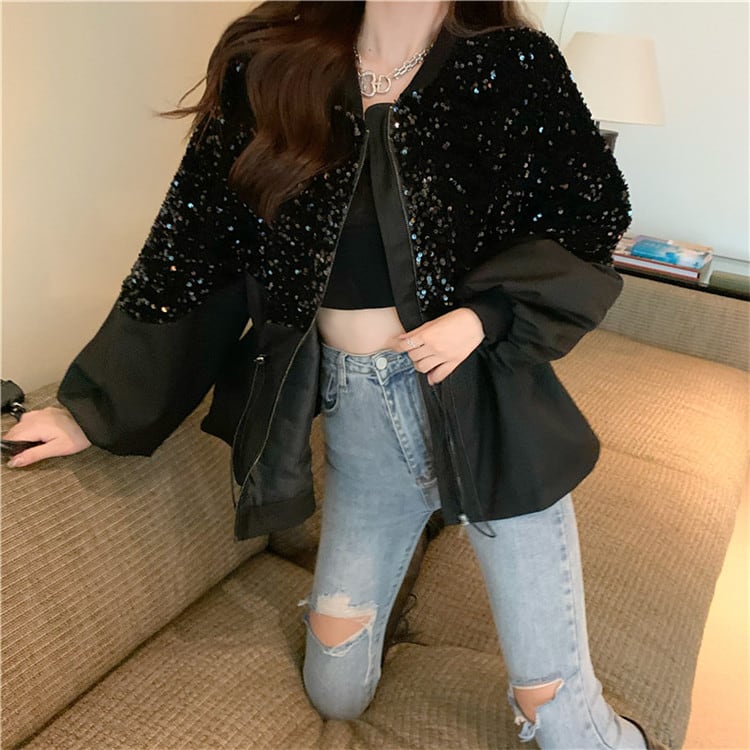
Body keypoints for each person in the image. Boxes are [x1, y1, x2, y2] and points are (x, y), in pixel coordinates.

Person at [3, 2, 668, 748]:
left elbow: (588, 219)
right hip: (361, 431)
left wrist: (487, 316)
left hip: (488, 415)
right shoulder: (272, 66)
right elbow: (191, 249)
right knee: (336, 690)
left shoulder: (514, 66)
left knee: (557, 713)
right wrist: (89, 410)